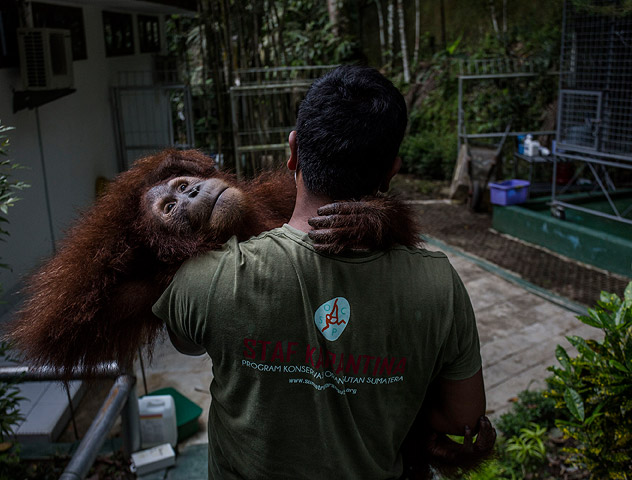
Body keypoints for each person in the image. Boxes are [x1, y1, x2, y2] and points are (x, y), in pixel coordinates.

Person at [153, 65, 490, 480]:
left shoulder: (205, 280)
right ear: (392, 170)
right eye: (169, 204)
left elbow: (184, 342)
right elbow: (463, 418)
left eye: (184, 184)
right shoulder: (440, 284)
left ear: (292, 150)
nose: (188, 196)